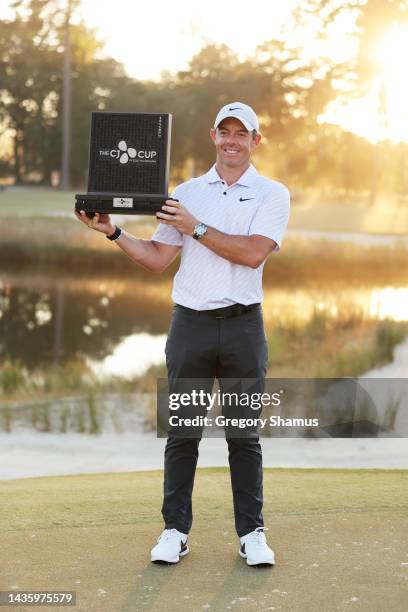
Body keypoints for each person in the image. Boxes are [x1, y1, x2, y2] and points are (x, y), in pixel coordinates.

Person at [75, 101, 290, 567]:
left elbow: (253, 254)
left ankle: (252, 534)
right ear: (213, 136)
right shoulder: (185, 191)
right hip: (190, 325)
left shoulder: (272, 194)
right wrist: (113, 233)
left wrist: (196, 227)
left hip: (243, 327)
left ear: (256, 141)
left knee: (244, 436)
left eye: (242, 134)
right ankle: (174, 531)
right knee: (183, 434)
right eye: (224, 132)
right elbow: (156, 258)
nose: (232, 141)